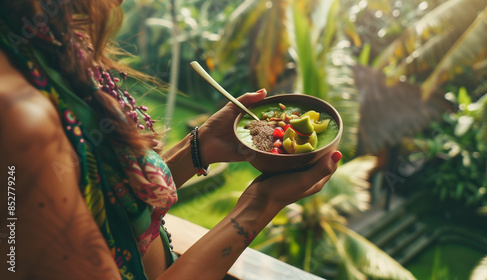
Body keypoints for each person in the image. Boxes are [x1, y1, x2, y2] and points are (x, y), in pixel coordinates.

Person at [0, 1, 342, 279]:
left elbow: (107, 201)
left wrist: (199, 147)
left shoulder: (46, 44)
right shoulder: (18, 119)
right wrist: (260, 204)